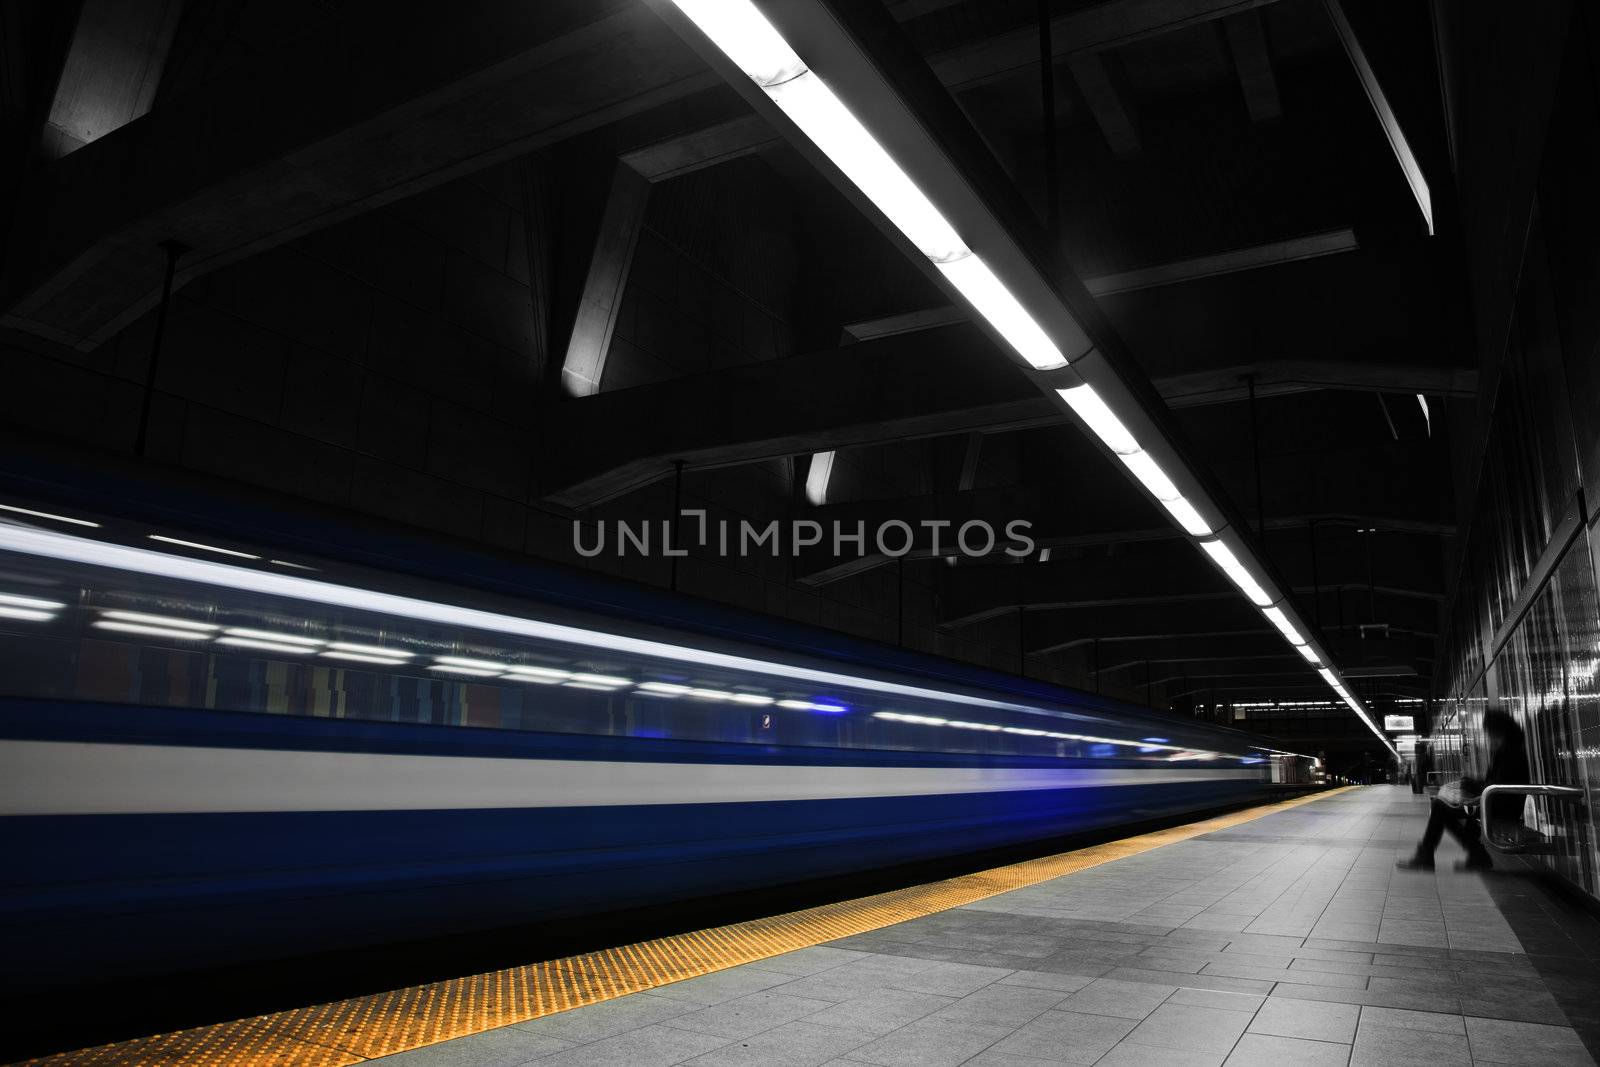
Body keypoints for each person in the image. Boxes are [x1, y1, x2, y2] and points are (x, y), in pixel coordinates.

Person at [1397, 708, 1528, 871]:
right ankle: (1475, 855)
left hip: (1500, 808)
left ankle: (1431, 855)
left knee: (1439, 807)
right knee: (1446, 808)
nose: (1488, 738)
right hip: (1496, 803)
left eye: (1489, 733)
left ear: (1498, 731)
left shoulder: (1510, 753)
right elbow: (1496, 783)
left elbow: (1498, 785)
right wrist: (1472, 783)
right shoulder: (1509, 749)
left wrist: (1472, 785)